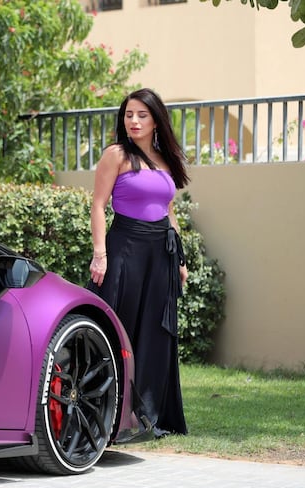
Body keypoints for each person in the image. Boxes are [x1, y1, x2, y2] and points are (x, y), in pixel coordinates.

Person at [87, 88, 190, 438]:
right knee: (120, 325)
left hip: (161, 252)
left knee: (154, 332)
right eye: (128, 114)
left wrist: (180, 259)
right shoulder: (116, 155)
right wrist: (100, 253)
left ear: (156, 119)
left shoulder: (165, 159)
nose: (133, 121)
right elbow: (98, 205)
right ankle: (110, 413)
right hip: (126, 249)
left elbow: (169, 210)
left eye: (141, 115)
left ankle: (150, 414)